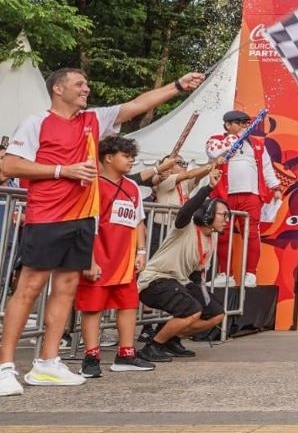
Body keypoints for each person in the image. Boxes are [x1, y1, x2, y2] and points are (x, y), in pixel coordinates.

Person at [0, 67, 202, 395]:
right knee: (29, 288)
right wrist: (62, 170)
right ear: (58, 89)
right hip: (47, 216)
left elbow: (136, 105)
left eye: (87, 84)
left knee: (66, 288)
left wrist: (178, 86)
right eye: (79, 84)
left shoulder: (93, 119)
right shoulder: (37, 122)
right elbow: (9, 165)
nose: (86, 89)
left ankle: (47, 363)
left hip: (83, 219)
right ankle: (5, 366)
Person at [75, 136, 154, 377]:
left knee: (128, 305)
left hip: (125, 261)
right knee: (93, 308)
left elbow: (138, 221)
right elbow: (85, 224)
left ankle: (126, 354)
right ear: (108, 158)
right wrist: (88, 259)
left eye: (132, 157)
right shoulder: (93, 185)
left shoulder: (132, 187)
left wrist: (141, 251)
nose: (131, 161)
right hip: (99, 257)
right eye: (126, 156)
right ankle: (91, 356)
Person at [136, 163, 229, 363]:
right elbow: (187, 210)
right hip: (155, 280)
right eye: (223, 215)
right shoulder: (185, 227)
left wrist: (204, 297)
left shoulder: (212, 238)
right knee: (192, 310)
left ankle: (171, 337)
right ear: (208, 214)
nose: (227, 220)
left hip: (180, 281)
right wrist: (208, 187)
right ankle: (153, 346)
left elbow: (196, 274)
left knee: (216, 314)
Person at [205, 110, 282, 288]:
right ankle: (225, 274)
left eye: (245, 123)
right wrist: (234, 138)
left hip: (251, 194)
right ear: (227, 124)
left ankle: (250, 274)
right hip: (224, 194)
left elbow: (267, 168)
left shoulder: (257, 144)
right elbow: (212, 153)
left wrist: (276, 187)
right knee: (223, 234)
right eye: (239, 123)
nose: (243, 126)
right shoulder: (216, 139)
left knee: (251, 233)